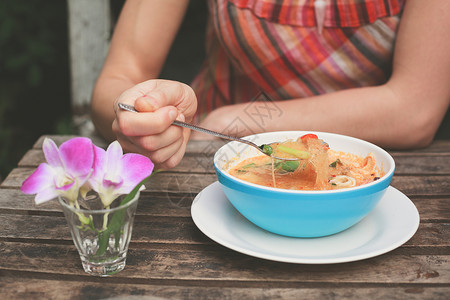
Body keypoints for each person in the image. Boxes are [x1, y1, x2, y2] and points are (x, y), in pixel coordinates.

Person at [91, 0, 450, 170]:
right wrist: (138, 112)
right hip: (200, 166)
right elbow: (121, 73)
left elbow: (415, 109)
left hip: (362, 177)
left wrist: (236, 122)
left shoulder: (225, 125)